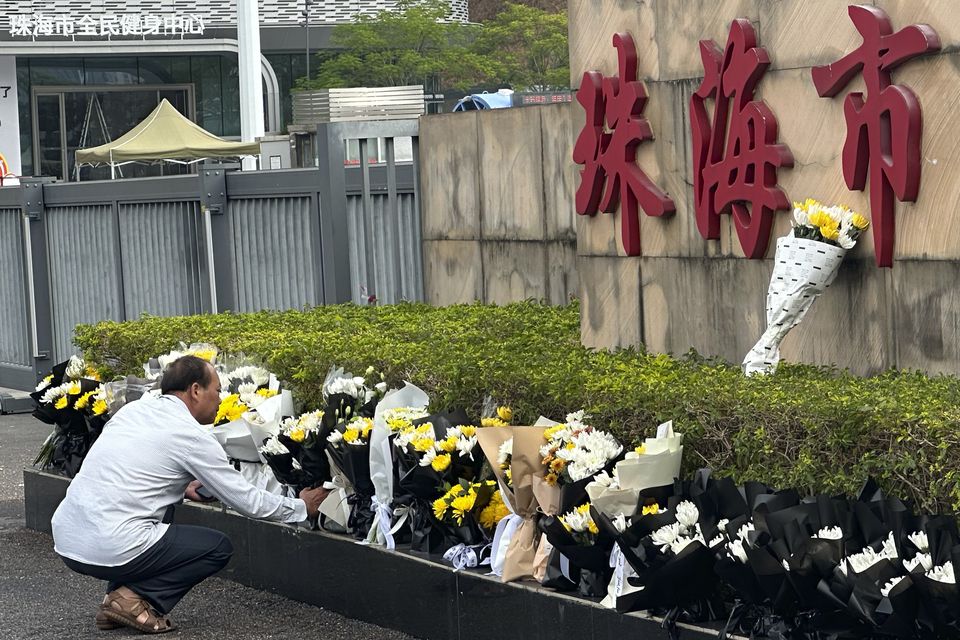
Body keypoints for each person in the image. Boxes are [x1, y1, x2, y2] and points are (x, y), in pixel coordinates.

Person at [51, 355, 328, 634]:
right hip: (110, 546)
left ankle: (116, 601)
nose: (221, 399)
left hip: (67, 540)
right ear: (196, 390)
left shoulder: (132, 411)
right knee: (216, 547)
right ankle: (132, 599)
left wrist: (181, 486)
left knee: (165, 509)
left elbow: (122, 467)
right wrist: (300, 507)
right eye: (217, 390)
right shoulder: (191, 435)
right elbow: (247, 501)